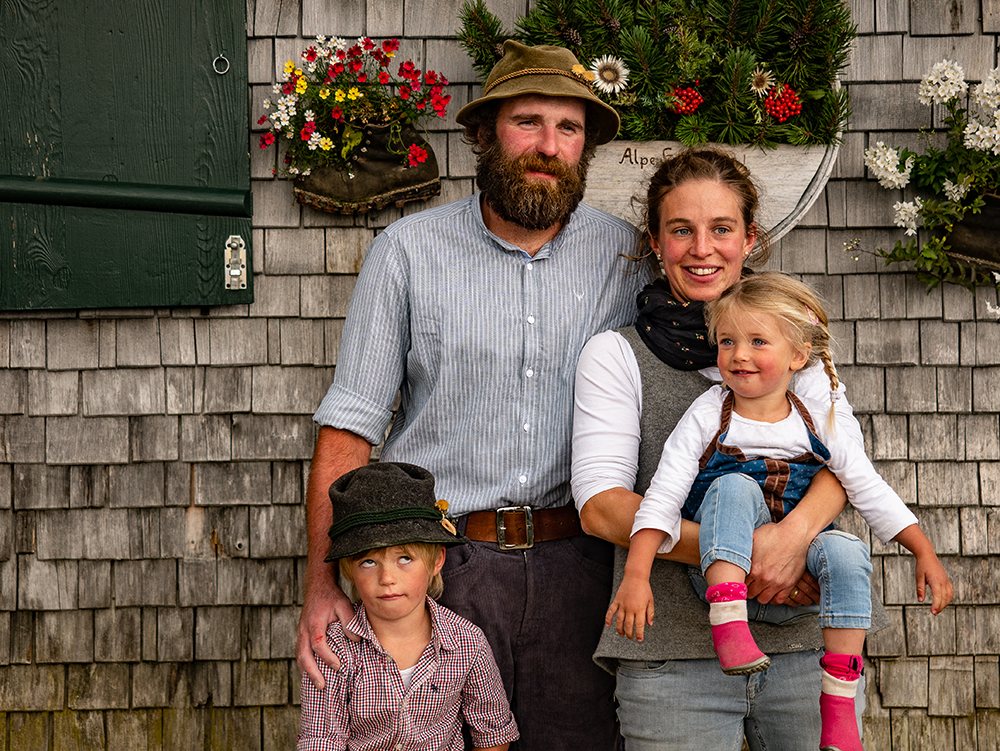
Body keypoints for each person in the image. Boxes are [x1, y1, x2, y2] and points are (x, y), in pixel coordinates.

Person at [298, 40, 651, 750]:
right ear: (485, 133)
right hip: (438, 569)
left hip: (582, 567)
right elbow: (348, 433)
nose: (549, 146)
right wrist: (321, 584)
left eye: (570, 128)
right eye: (529, 122)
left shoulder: (629, 258)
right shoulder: (407, 252)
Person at [571, 148, 898, 750]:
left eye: (721, 228)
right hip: (672, 654)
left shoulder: (793, 340)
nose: (702, 248)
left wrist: (794, 538)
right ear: (655, 241)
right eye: (681, 230)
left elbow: (843, 464)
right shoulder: (616, 356)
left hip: (805, 647)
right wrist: (753, 550)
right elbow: (602, 507)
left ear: (750, 239)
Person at [605, 272, 954, 751]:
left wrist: (924, 551)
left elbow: (868, 487)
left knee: (848, 550)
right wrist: (637, 573)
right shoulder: (710, 413)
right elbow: (663, 495)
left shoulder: (817, 419)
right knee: (732, 485)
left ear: (798, 355)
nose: (738, 354)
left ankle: (837, 696)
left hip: (797, 572)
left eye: (756, 342)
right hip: (715, 567)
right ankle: (729, 622)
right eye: (726, 342)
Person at [297, 461, 519, 751]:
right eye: (368, 562)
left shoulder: (467, 644)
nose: (387, 578)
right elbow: (321, 741)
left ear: (436, 561)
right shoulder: (336, 649)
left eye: (405, 559)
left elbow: (493, 734)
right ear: (349, 570)